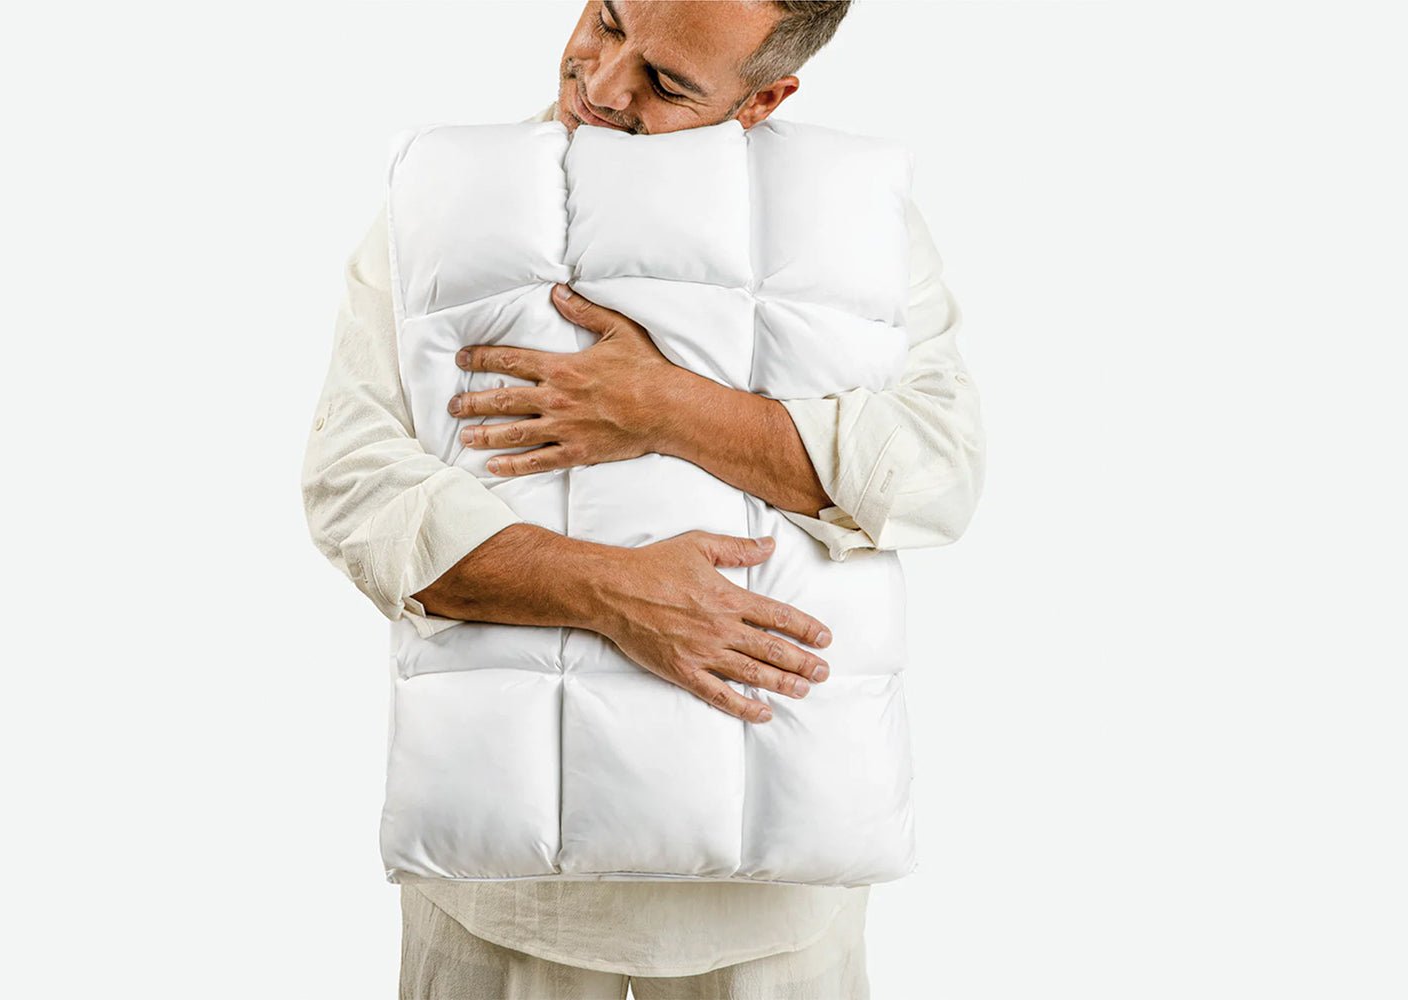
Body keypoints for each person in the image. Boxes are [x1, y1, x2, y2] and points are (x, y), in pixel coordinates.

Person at [300, 2, 985, 996]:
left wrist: (667, 407)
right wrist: (614, 591)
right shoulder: (447, 201)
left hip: (779, 896)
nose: (604, 82)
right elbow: (353, 486)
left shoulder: (847, 218)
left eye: (667, 83)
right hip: (503, 891)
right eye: (608, 19)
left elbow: (939, 471)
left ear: (764, 99)